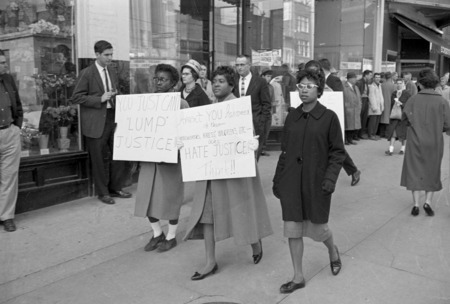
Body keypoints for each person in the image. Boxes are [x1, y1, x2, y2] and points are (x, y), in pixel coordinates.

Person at [183, 66, 273, 281]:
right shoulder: (212, 107)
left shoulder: (237, 108)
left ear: (232, 85)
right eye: (214, 81)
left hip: (234, 172)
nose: (216, 84)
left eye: (221, 81)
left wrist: (251, 143)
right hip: (211, 172)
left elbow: (248, 138)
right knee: (207, 215)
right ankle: (210, 261)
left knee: (240, 209)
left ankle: (255, 242)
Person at [273, 68, 345, 293]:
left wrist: (330, 179)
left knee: (319, 230)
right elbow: (285, 150)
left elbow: (338, 153)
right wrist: (279, 179)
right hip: (292, 182)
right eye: (300, 86)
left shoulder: (329, 117)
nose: (303, 90)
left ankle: (332, 251)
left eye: (309, 86)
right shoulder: (293, 115)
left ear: (319, 90)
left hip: (317, 183)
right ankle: (298, 276)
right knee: (292, 229)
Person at [134, 64, 189, 252]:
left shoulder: (181, 104)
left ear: (174, 83)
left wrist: (182, 142)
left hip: (171, 159)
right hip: (150, 159)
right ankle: (157, 233)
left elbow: (188, 130)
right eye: (156, 78)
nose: (158, 82)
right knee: (147, 196)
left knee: (171, 197)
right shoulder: (146, 102)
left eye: (163, 79)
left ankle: (171, 235)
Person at [71, 40, 131, 205]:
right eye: (106, 55)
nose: (110, 58)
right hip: (96, 121)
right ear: (97, 55)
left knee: (118, 154)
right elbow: (76, 97)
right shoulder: (87, 73)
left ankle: (116, 188)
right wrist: (100, 99)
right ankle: (103, 193)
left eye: (111, 54)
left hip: (113, 117)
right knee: (98, 158)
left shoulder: (111, 71)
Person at [401, 68, 450, 217]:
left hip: (415, 141)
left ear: (420, 84)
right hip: (434, 141)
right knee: (432, 170)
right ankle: (427, 202)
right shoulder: (442, 101)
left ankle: (415, 204)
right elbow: (448, 124)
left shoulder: (413, 100)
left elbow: (404, 119)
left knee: (415, 170)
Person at [313, 59, 361, 186]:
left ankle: (353, 170)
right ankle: (353, 171)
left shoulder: (334, 80)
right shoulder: (321, 80)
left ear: (321, 69)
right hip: (320, 117)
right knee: (333, 147)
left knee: (335, 148)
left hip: (331, 118)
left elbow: (338, 99)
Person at [0, 50, 23, 232]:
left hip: (10, 133)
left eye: (4, 62)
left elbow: (18, 104)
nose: (5, 66)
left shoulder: (8, 79)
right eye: (1, 63)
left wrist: (17, 127)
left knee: (9, 178)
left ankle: (6, 216)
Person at [233, 54, 271, 160]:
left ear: (249, 65)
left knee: (253, 159)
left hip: (254, 125)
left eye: (242, 64)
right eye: (237, 65)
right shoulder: (233, 81)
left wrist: (261, 123)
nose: (239, 67)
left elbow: (266, 104)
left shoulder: (260, 82)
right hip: (236, 125)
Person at [385, 79, 410, 156]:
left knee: (403, 134)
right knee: (393, 133)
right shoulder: (394, 93)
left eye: (400, 83)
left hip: (403, 117)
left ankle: (402, 148)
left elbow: (409, 104)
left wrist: (401, 104)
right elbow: (391, 104)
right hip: (394, 116)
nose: (399, 85)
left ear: (403, 84)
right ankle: (390, 149)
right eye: (397, 83)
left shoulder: (407, 93)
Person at [343, 72, 362, 145]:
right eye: (354, 78)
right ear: (349, 79)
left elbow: (359, 97)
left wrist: (359, 105)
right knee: (347, 126)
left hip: (355, 109)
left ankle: (350, 139)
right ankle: (345, 140)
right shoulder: (344, 87)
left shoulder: (356, 87)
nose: (356, 80)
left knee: (353, 126)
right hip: (348, 109)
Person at [260, 69, 274, 156]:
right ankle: (259, 149)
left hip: (268, 112)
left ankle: (263, 149)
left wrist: (273, 111)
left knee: (266, 131)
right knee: (260, 131)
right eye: (268, 76)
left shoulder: (271, 87)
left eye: (270, 77)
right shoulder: (259, 86)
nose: (269, 78)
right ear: (263, 76)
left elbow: (272, 100)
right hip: (260, 112)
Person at [355, 70, 373, 139]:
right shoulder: (360, 82)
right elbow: (358, 93)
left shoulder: (366, 82)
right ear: (366, 75)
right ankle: (356, 134)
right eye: (370, 75)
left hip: (365, 100)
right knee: (360, 117)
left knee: (364, 118)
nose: (371, 77)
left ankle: (360, 133)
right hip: (361, 100)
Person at [367, 73, 384, 140]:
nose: (378, 78)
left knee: (376, 122)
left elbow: (381, 96)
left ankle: (374, 134)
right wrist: (374, 107)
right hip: (374, 107)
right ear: (373, 78)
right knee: (372, 122)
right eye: (376, 77)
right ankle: (371, 134)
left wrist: (382, 105)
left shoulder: (379, 85)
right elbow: (371, 97)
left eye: (379, 77)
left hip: (379, 106)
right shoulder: (371, 86)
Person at [379, 71, 396, 138]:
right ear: (391, 77)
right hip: (390, 103)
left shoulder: (382, 85)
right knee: (388, 119)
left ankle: (381, 133)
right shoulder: (393, 85)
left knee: (382, 118)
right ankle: (387, 134)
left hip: (382, 103)